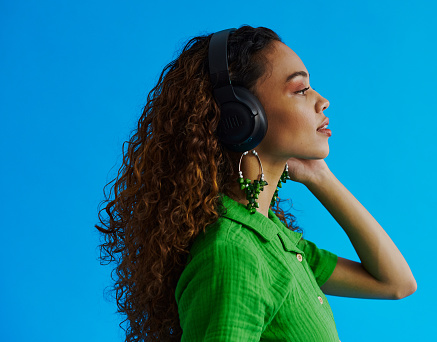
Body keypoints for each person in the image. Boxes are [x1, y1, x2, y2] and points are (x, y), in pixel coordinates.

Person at [96, 25, 417, 342]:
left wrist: (319, 176)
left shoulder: (271, 236)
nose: (323, 101)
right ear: (241, 114)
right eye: (300, 90)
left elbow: (395, 283)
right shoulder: (233, 254)